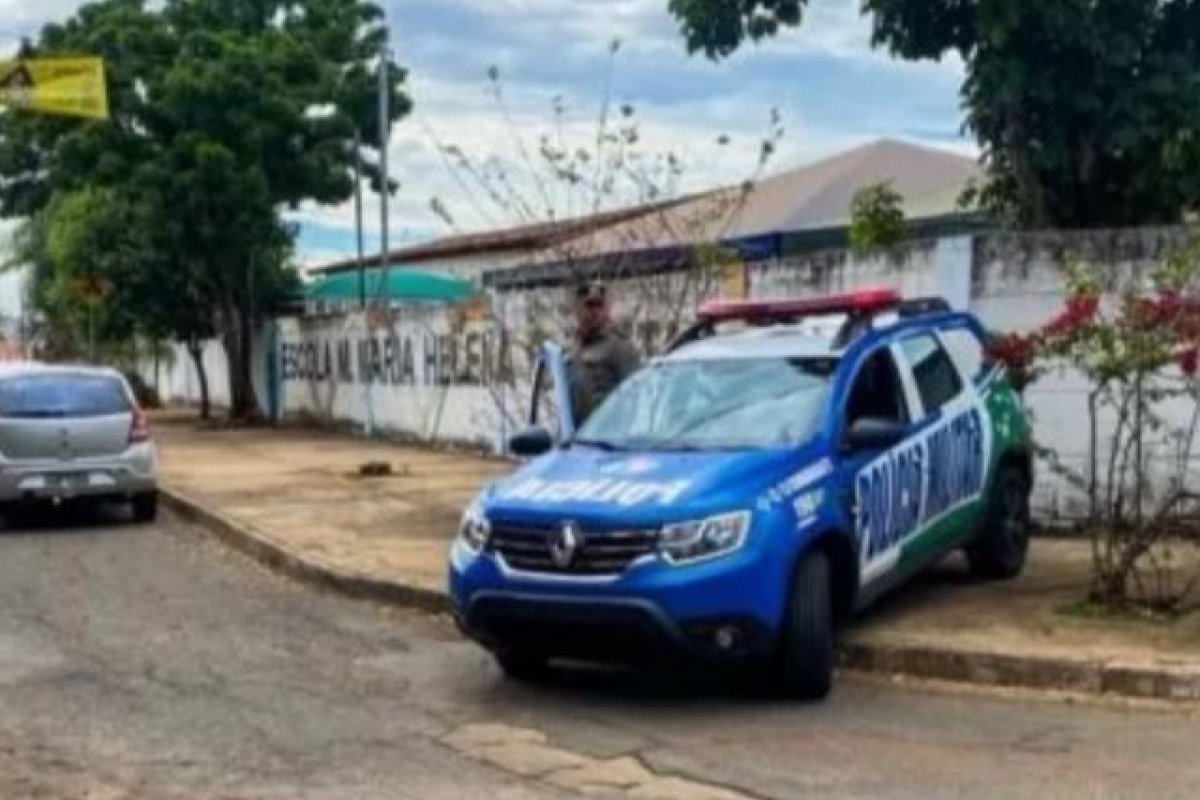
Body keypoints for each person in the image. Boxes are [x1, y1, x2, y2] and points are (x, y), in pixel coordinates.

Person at [568, 282, 640, 423]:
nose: (594, 312)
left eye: (599, 306)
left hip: (609, 433)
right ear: (578, 309)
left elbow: (634, 397)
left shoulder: (619, 347)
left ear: (607, 310)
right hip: (579, 435)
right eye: (588, 306)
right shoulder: (573, 350)